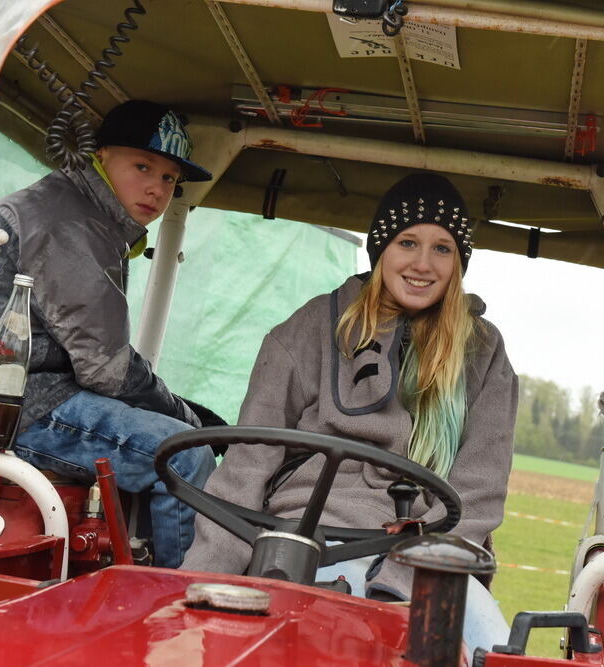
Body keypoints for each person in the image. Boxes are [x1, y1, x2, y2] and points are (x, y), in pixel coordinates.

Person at [182, 172, 518, 652]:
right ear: (381, 249)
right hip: (316, 536)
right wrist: (203, 580)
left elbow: (479, 491)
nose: (423, 264)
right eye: (408, 243)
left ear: (459, 262)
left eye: (442, 248)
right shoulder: (309, 329)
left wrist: (420, 571)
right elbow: (248, 464)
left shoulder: (482, 351)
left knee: (493, 646)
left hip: (429, 553)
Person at [0, 100, 222, 568]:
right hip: (18, 403)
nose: (156, 188)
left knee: (177, 438)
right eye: (143, 166)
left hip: (21, 391)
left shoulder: (80, 212)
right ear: (100, 155)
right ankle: (175, 607)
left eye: (170, 178)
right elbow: (107, 370)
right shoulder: (71, 222)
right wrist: (187, 418)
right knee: (186, 458)